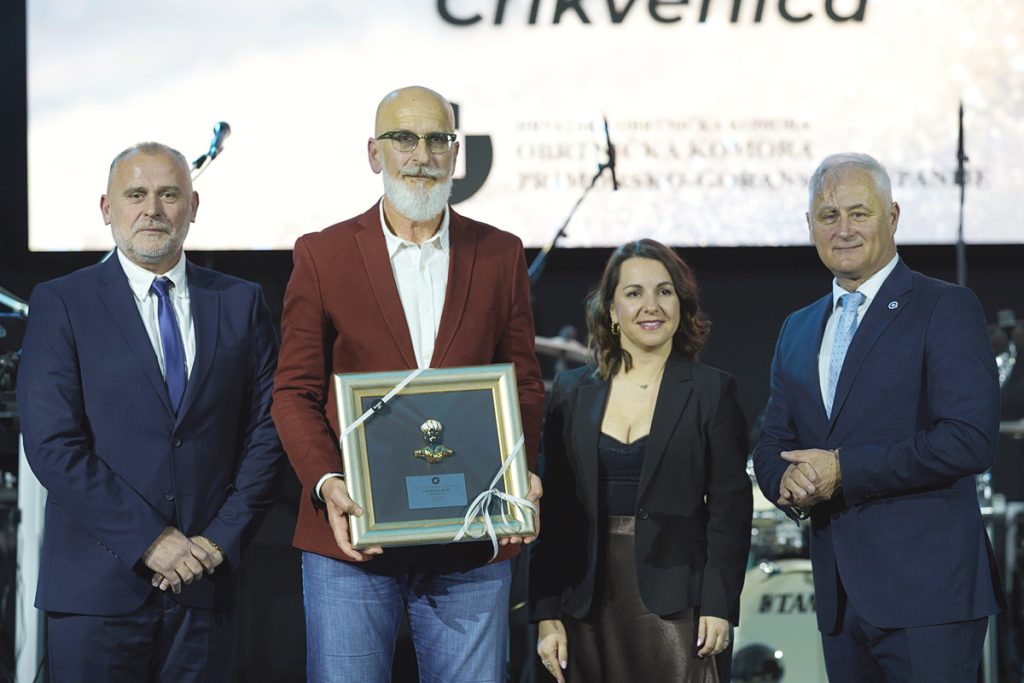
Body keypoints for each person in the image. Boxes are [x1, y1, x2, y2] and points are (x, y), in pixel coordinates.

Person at [271, 85, 545, 683]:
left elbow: (523, 383)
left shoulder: (499, 254)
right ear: (375, 153)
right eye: (403, 139)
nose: (422, 155)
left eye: (437, 139)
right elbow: (293, 392)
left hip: (471, 538)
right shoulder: (323, 255)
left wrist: (516, 466)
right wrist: (328, 483)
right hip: (352, 539)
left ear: (455, 154)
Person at [17, 142, 284, 681]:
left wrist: (217, 542)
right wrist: (151, 541)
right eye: (135, 194)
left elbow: (268, 432)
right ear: (106, 207)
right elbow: (52, 444)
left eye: (169, 195)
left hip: (205, 585)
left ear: (193, 206)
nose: (153, 210)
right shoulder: (62, 301)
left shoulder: (241, 301)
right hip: (95, 592)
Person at [753, 153, 1005, 682]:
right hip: (840, 600)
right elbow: (772, 440)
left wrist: (844, 469)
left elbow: (968, 440)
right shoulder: (797, 328)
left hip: (929, 597)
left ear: (892, 217)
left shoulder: (945, 307)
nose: (843, 229)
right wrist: (785, 481)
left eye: (859, 213)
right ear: (809, 226)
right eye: (829, 216)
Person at [530, 239, 752, 683]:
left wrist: (718, 604)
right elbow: (551, 515)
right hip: (582, 606)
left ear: (681, 304)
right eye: (634, 293)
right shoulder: (571, 392)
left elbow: (730, 511)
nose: (651, 305)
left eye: (664, 291)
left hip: (679, 611)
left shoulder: (712, 390)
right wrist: (546, 612)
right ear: (611, 310)